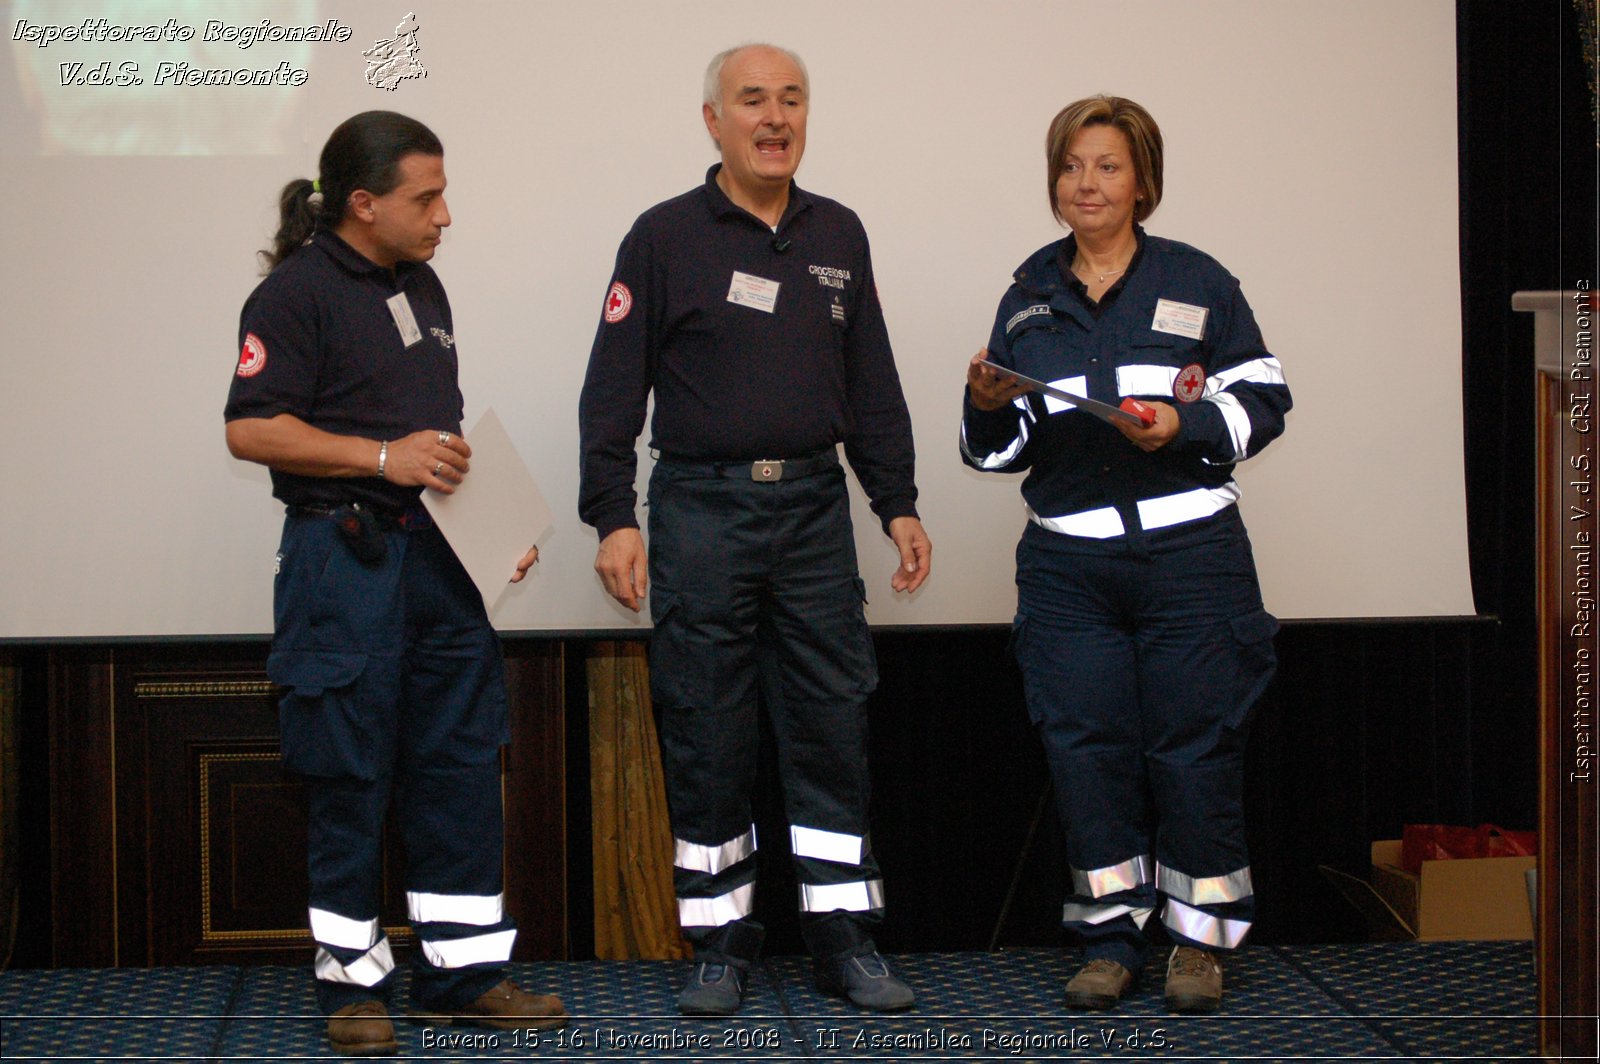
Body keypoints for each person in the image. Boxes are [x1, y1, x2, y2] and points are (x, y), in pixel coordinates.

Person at [578, 44, 932, 1017]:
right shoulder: (661, 237)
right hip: (699, 511)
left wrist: (894, 500)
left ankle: (844, 941)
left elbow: (871, 382)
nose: (774, 117)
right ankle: (718, 945)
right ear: (712, 121)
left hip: (814, 511)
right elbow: (611, 394)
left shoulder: (839, 232)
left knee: (831, 733)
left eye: (791, 100)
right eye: (751, 101)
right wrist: (612, 514)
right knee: (706, 736)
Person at [223, 111, 565, 1056]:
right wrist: (379, 457)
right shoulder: (293, 296)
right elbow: (250, 429)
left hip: (442, 570)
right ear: (363, 204)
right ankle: (352, 991)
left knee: (457, 774)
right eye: (428, 196)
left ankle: (462, 979)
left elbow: (436, 446)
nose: (446, 215)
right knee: (348, 778)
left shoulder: (426, 287)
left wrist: (490, 533)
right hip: (346, 565)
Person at [962, 96, 1290, 1015]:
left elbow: (1265, 398)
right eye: (1071, 165)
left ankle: (1198, 945)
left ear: (1142, 181)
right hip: (1069, 573)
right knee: (1085, 751)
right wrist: (987, 402)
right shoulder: (1028, 294)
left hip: (1192, 563)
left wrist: (1185, 425)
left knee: (1195, 748)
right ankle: (1110, 938)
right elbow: (996, 454)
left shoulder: (1200, 280)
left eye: (1106, 166)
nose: (1086, 183)